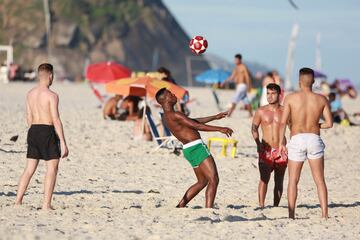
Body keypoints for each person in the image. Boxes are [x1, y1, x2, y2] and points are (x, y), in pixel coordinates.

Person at [155, 88, 233, 208]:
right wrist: (220, 129)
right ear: (165, 100)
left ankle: (181, 205)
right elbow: (196, 126)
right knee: (214, 179)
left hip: (188, 149)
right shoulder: (176, 114)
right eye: (170, 94)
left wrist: (214, 117)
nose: (174, 94)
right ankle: (209, 209)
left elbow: (191, 121)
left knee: (202, 182)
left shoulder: (166, 117)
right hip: (197, 147)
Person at [278, 67, 333, 219]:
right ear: (314, 81)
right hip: (314, 138)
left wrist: (281, 142)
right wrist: (316, 125)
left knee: (293, 180)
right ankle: (324, 214)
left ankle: (291, 215)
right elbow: (329, 123)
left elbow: (283, 123)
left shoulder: (290, 98)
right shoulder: (321, 99)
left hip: (297, 138)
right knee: (320, 180)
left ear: (299, 81)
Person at [15, 63, 69, 210]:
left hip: (33, 130)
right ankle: (46, 205)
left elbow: (28, 116)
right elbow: (56, 119)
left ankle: (18, 201)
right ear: (50, 76)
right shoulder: (52, 95)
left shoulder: (30, 94)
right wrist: (63, 142)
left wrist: (34, 131)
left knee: (29, 169)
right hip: (47, 131)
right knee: (52, 168)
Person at [252, 83, 287, 208]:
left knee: (279, 180)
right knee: (264, 179)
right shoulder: (261, 111)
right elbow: (254, 127)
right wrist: (257, 143)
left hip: (281, 150)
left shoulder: (285, 111)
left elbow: (295, 127)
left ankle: (275, 206)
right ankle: (261, 206)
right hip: (265, 148)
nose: (270, 96)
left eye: (273, 93)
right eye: (268, 93)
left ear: (279, 94)